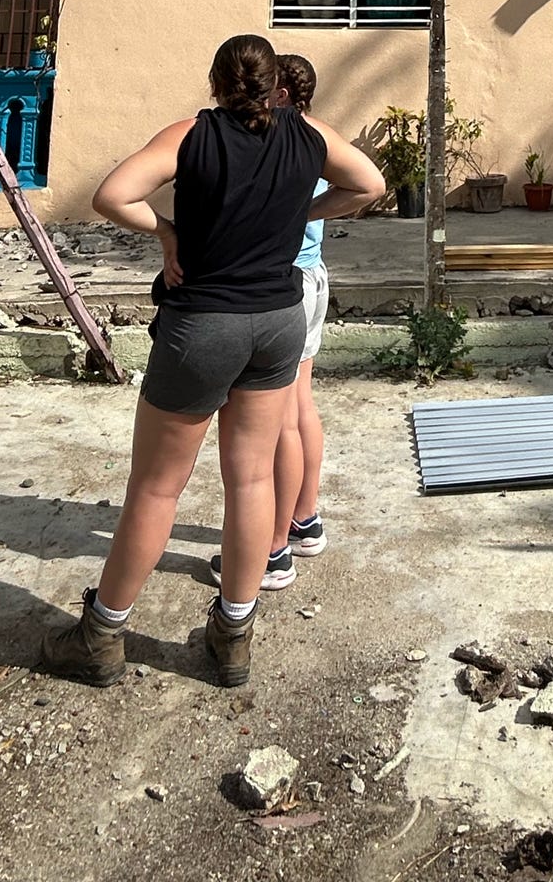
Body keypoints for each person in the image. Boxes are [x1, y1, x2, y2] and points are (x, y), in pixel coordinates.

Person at [38, 34, 384, 690]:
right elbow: (370, 182)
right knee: (252, 482)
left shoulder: (191, 133)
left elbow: (113, 195)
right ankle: (231, 637)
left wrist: (166, 230)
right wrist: (304, 211)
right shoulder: (306, 134)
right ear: (274, 84)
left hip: (204, 326)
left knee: (157, 486)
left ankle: (101, 634)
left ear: (216, 82)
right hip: (278, 324)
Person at [260, 54, 330, 590]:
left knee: (282, 417)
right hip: (313, 274)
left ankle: (273, 549)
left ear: (282, 94)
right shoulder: (316, 138)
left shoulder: (285, 140)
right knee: (302, 405)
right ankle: (305, 519)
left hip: (290, 282)